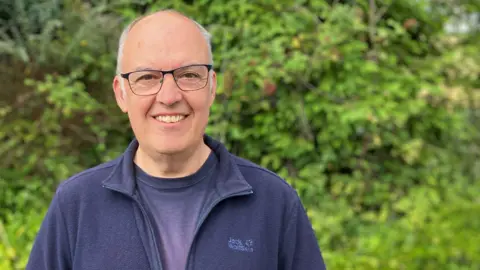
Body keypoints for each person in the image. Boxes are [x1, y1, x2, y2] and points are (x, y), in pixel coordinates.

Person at [26, 9, 326, 270]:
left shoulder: (273, 202)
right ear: (121, 93)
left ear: (211, 86)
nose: (169, 97)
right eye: (147, 77)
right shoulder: (76, 205)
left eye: (189, 75)